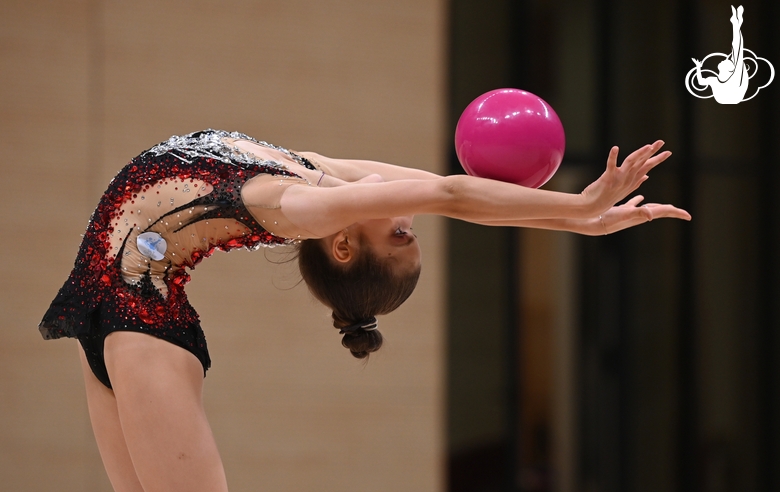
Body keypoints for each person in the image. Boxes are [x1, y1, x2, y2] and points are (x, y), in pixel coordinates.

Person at [39, 129, 689, 491]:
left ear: (344, 244)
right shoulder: (314, 173)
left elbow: (449, 194)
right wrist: (579, 224)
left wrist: (578, 205)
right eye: (411, 231)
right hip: (98, 310)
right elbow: (438, 188)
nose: (409, 215)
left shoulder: (299, 207)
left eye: (400, 234)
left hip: (142, 324)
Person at [692, 5, 748, 104]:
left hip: (732, 96)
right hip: (729, 97)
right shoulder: (716, 80)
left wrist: (698, 67)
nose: (725, 59)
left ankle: (736, 23)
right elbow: (701, 82)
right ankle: (736, 23)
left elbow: (738, 49)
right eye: (728, 61)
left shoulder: (730, 78)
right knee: (737, 51)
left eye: (727, 61)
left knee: (737, 50)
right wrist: (698, 67)